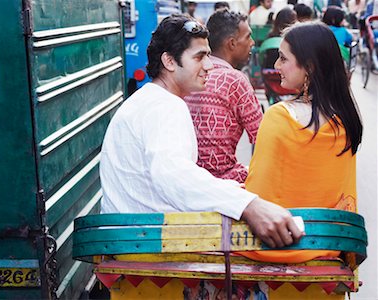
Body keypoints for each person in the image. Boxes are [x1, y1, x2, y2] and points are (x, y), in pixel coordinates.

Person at [100, 14, 303, 249]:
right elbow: (174, 176)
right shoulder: (165, 106)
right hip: (143, 246)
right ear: (169, 61)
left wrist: (232, 191)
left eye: (208, 55)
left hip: (135, 238)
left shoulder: (153, 99)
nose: (208, 65)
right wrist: (249, 205)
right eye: (199, 57)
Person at [239, 22, 362, 265]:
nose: (276, 66)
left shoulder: (279, 116)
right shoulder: (346, 120)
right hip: (329, 248)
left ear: (309, 67)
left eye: (283, 59)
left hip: (275, 248)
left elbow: (258, 194)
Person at [184, 10, 262, 183]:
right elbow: (263, 138)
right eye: (248, 37)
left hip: (188, 180)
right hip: (224, 182)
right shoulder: (235, 80)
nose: (252, 43)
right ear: (232, 43)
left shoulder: (190, 73)